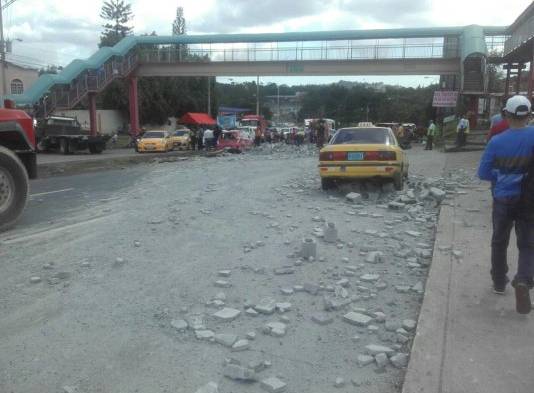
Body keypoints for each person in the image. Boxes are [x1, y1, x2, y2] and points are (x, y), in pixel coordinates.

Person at [478, 95, 534, 314]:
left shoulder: (497, 141)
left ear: (506, 115)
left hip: (503, 199)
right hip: (529, 201)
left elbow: (483, 173)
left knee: (499, 241)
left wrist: (501, 175)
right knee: (528, 244)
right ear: (528, 115)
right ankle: (523, 280)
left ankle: (500, 282)